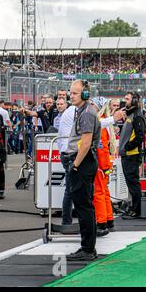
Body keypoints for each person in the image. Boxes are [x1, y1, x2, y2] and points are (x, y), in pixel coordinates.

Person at [64, 80, 101, 261]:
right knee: (84, 206)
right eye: (70, 93)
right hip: (83, 162)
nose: (71, 96)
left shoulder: (86, 113)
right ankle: (87, 247)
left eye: (75, 93)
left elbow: (85, 143)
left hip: (83, 162)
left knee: (84, 207)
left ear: (85, 95)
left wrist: (75, 165)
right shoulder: (82, 111)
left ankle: (87, 249)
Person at [90, 97, 116, 236]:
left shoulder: (101, 124)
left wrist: (104, 166)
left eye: (93, 104)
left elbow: (101, 148)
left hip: (101, 163)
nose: (90, 106)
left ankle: (101, 222)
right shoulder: (104, 121)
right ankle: (109, 218)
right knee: (104, 192)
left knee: (99, 193)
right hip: (104, 163)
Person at [119, 92, 145, 219]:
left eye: (127, 98)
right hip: (127, 154)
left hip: (132, 155)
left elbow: (140, 137)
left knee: (133, 184)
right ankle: (133, 208)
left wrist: (127, 146)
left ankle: (136, 210)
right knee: (131, 184)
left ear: (134, 100)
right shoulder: (130, 115)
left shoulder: (137, 116)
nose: (125, 101)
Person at [58, 103, 77, 226]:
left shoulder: (71, 111)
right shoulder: (75, 111)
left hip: (66, 153)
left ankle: (67, 221)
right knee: (72, 190)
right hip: (70, 154)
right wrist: (113, 119)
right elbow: (93, 126)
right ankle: (67, 221)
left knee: (70, 190)